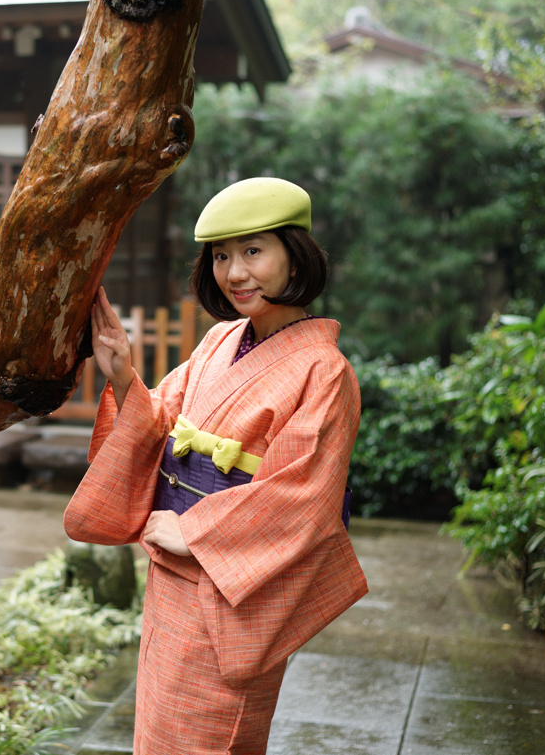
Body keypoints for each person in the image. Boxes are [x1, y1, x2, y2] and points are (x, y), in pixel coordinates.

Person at [63, 177, 367, 754]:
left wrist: (194, 529)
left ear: (294, 252)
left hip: (232, 591)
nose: (235, 272)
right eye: (223, 256)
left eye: (254, 251)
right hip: (170, 584)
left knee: (210, 738)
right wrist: (124, 375)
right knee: (158, 734)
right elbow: (161, 424)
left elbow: (303, 498)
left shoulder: (325, 371)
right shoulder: (219, 340)